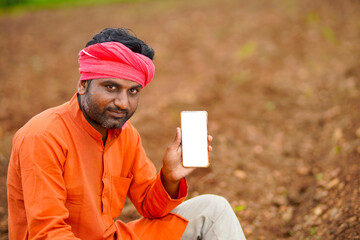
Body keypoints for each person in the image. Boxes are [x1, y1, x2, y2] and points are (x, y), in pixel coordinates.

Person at [7, 28, 246, 240]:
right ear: (82, 84)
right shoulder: (43, 136)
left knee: (214, 210)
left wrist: (169, 178)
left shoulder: (126, 135)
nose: (122, 102)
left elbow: (150, 208)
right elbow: (48, 233)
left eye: (133, 91)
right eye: (110, 87)